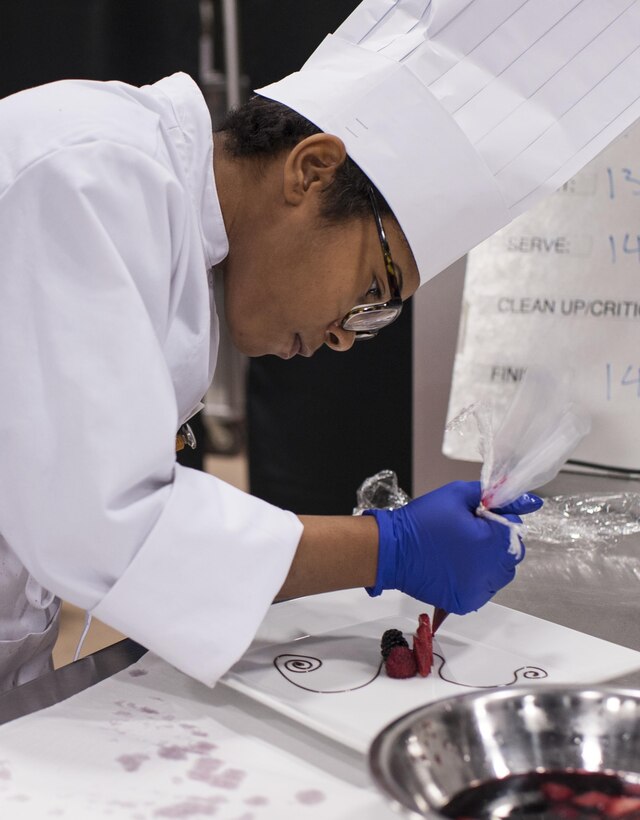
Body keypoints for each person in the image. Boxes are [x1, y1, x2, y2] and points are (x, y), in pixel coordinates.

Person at [1, 0, 637, 692]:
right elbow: (106, 526)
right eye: (374, 287)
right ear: (312, 170)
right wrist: (389, 549)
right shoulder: (91, 177)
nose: (343, 336)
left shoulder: (170, 235)